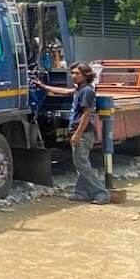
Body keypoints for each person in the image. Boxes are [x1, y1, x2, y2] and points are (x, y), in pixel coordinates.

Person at [36, 62, 110, 204]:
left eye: (77, 73)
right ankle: (81, 193)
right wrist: (44, 86)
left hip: (83, 133)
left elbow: (86, 114)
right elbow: (64, 91)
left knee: (81, 165)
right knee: (81, 164)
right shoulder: (79, 89)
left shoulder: (87, 91)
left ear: (86, 75)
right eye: (72, 73)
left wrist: (77, 134)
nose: (73, 76)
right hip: (79, 132)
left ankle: (101, 193)